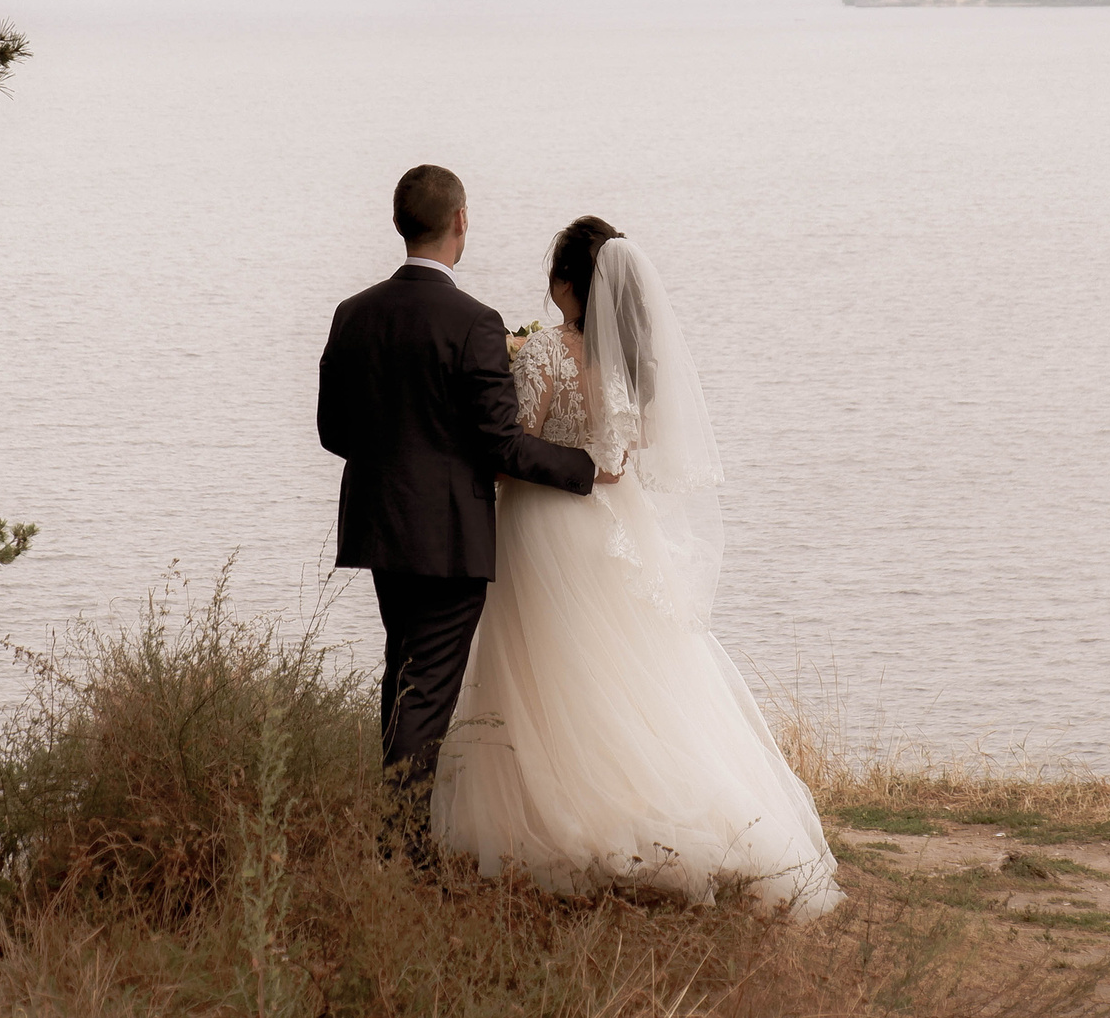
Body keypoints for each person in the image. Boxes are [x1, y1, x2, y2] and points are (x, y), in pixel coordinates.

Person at [432, 217, 841, 918]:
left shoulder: (542, 357)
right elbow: (624, 456)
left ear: (564, 283)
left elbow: (512, 446)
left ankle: (557, 809)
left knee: (545, 668)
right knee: (622, 667)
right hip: (614, 525)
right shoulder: (629, 365)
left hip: (541, 523)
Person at [315, 165, 597, 856]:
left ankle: (397, 839)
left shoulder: (353, 312)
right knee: (428, 691)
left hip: (381, 528)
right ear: (461, 221)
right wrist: (586, 466)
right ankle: (402, 855)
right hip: (449, 535)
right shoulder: (475, 323)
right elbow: (502, 442)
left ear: (399, 222)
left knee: (404, 672)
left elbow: (333, 431)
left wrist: (392, 459)